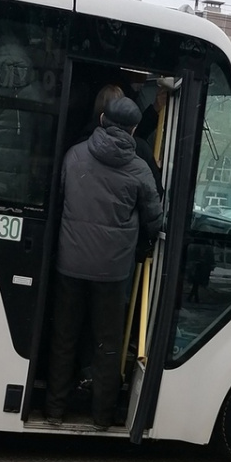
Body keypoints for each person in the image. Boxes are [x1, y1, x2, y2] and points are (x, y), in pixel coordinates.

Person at [46, 96, 163, 430]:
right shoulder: (140, 169)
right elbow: (155, 219)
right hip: (112, 271)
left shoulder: (74, 155)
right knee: (108, 345)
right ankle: (102, 417)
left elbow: (62, 197)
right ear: (135, 128)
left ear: (101, 119)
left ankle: (54, 411)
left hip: (69, 262)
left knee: (64, 337)